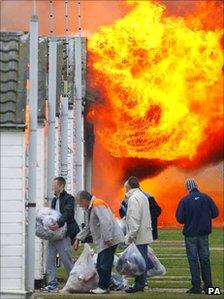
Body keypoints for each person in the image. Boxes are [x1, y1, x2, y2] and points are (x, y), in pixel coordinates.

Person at [73, 191, 124, 294]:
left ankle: (103, 287)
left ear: (84, 200)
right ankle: (104, 285)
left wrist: (108, 238)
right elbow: (88, 226)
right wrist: (78, 238)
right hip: (105, 240)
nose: (79, 205)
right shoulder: (91, 207)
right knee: (102, 263)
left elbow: (106, 222)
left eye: (79, 203)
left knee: (104, 264)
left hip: (109, 240)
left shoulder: (97, 204)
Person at [176, 178, 219, 294]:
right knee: (205, 259)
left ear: (187, 187)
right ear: (196, 186)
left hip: (190, 234)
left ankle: (196, 287)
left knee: (193, 259)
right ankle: (209, 286)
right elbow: (215, 213)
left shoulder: (184, 200)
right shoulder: (206, 198)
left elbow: (179, 218)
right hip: (204, 234)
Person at [42, 177, 80, 292]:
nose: (53, 187)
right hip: (53, 234)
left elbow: (67, 213)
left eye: (54, 185)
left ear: (61, 186)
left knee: (66, 259)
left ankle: (74, 283)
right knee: (50, 259)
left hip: (64, 233)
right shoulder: (54, 200)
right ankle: (52, 284)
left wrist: (58, 224)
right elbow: (53, 214)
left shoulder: (69, 199)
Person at [124, 176, 153, 293]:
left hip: (138, 236)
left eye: (125, 186)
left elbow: (134, 219)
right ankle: (141, 283)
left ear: (129, 186)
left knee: (138, 261)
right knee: (142, 260)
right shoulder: (143, 196)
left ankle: (139, 284)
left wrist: (130, 237)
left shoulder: (133, 198)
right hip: (144, 234)